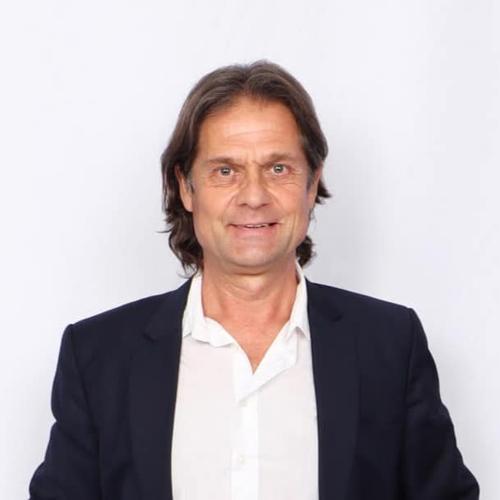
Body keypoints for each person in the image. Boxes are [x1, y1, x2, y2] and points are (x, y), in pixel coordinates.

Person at [28, 61, 479, 500]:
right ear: (185, 187)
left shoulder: (390, 346)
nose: (254, 196)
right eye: (225, 171)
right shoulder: (99, 356)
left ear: (312, 183)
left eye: (278, 168)